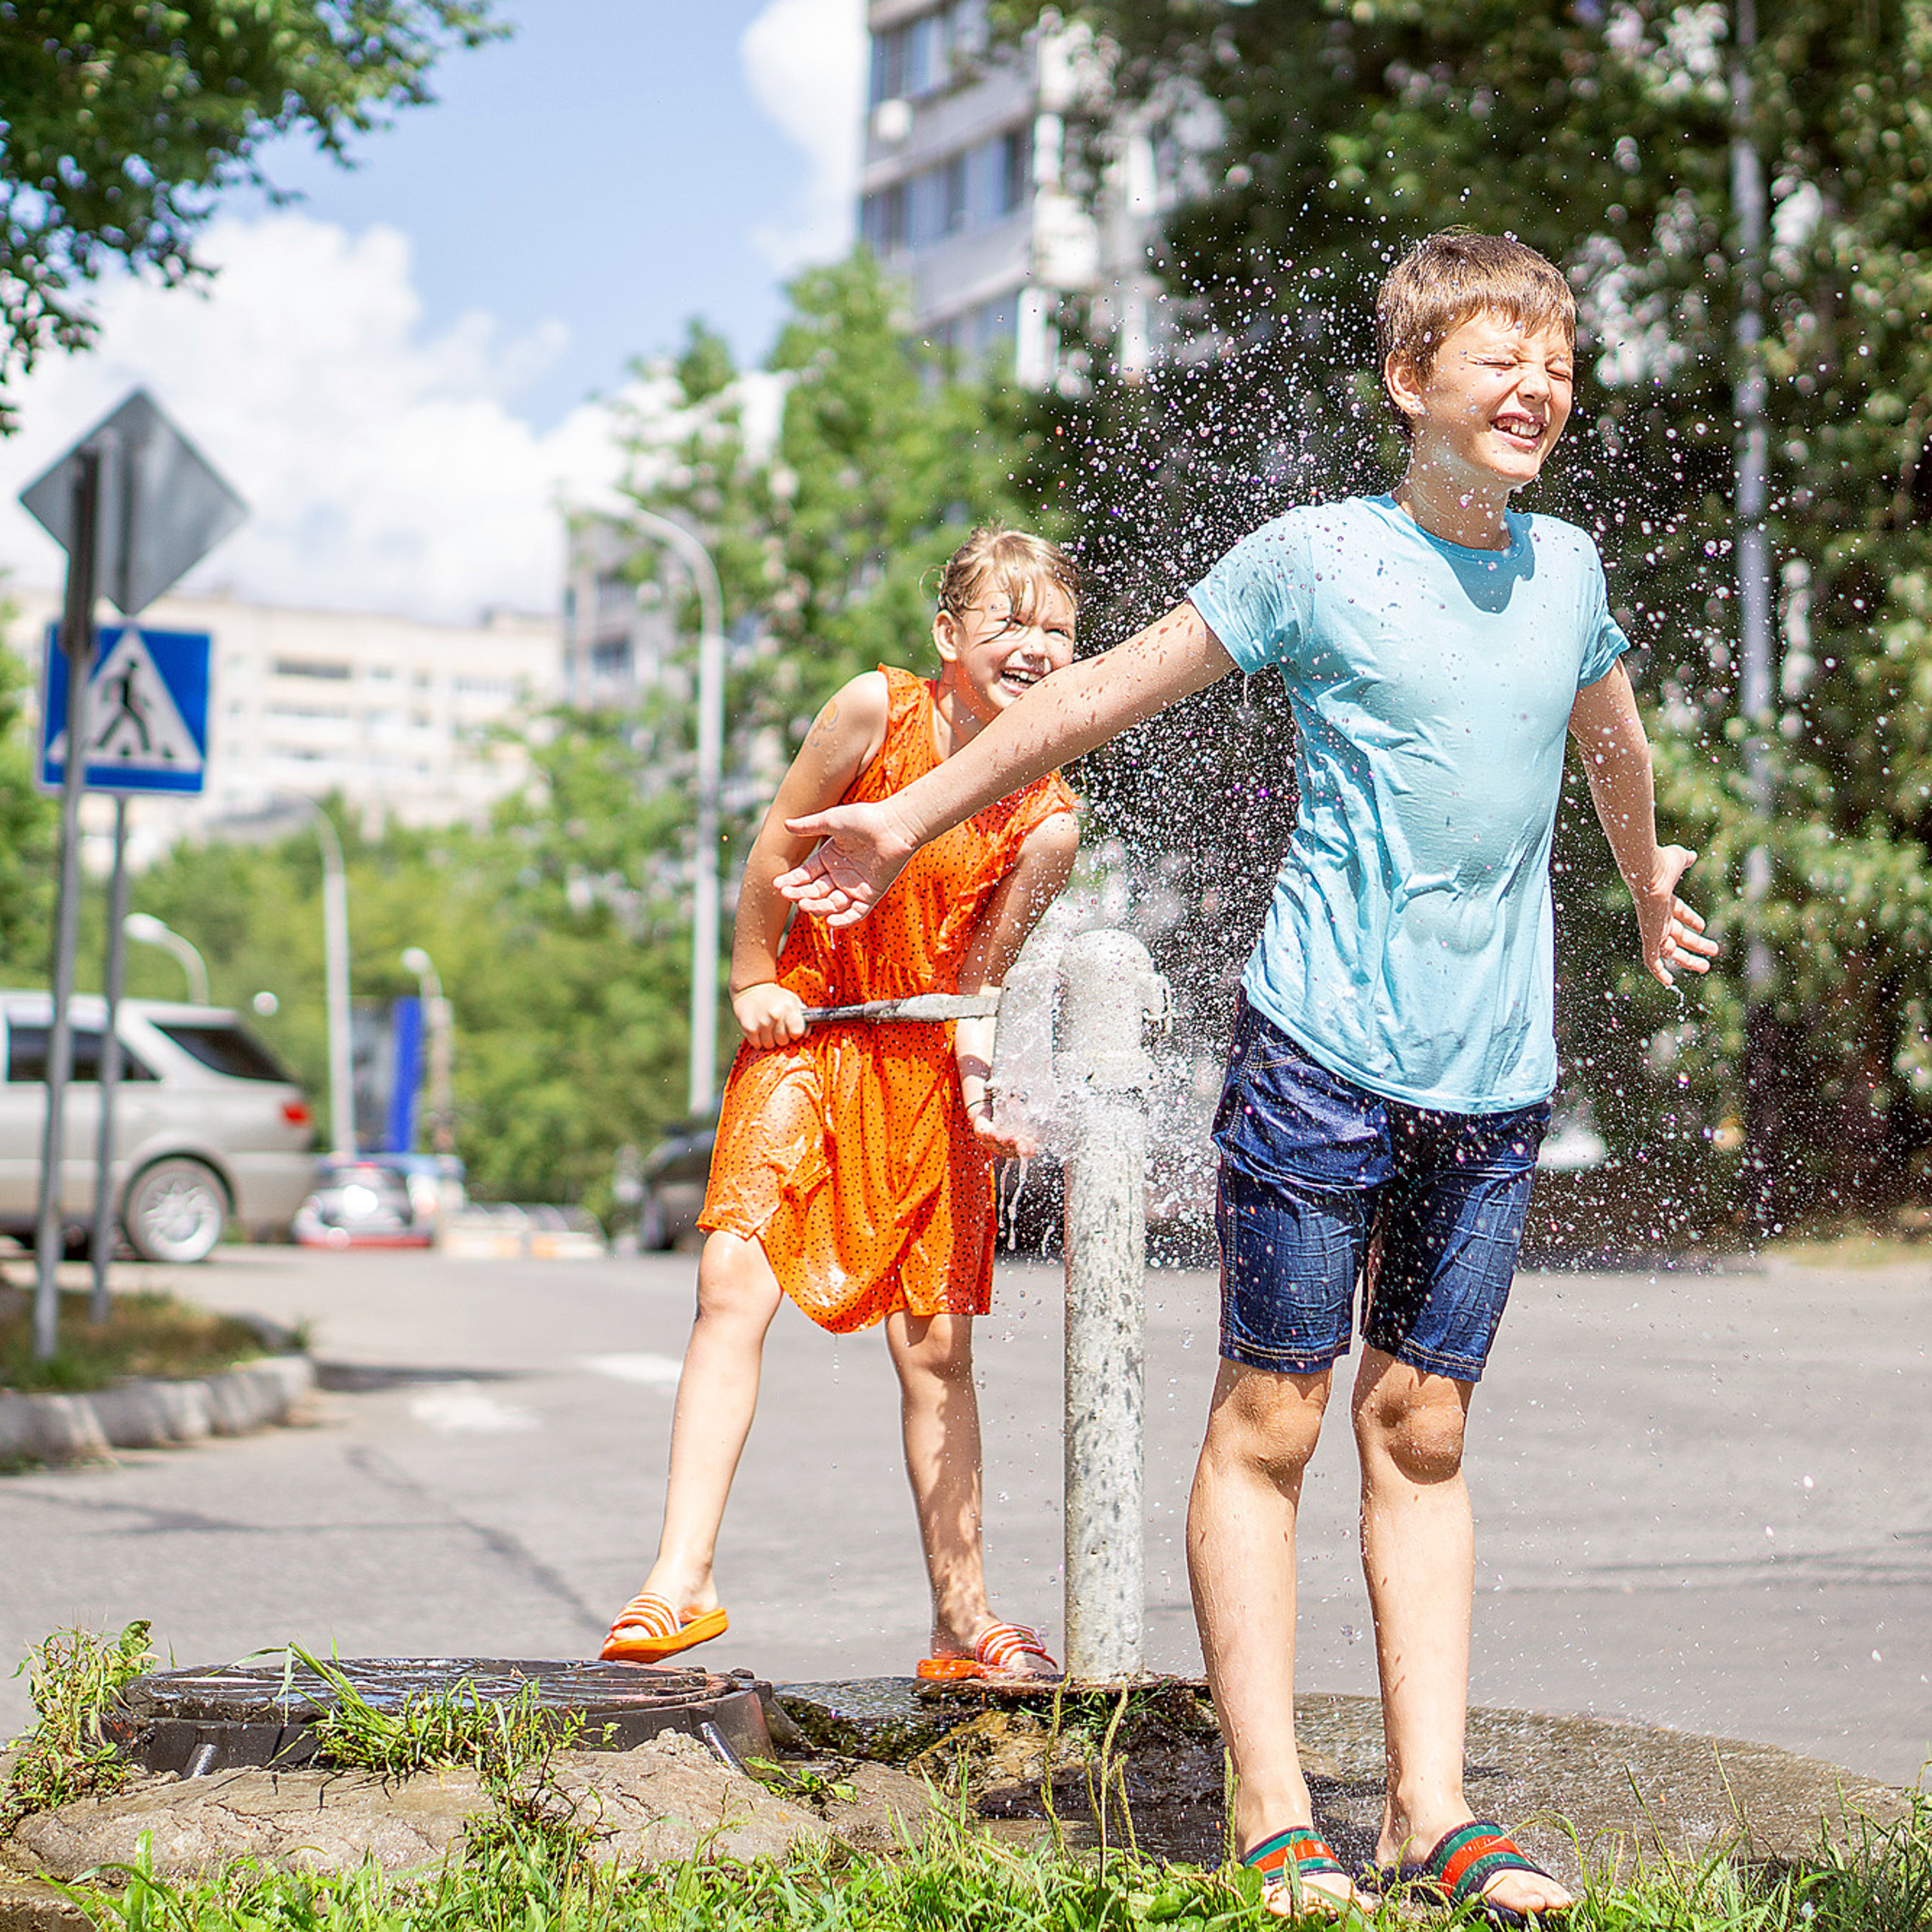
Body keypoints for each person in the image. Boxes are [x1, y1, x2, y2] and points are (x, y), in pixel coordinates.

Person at [775, 231, 1719, 1923]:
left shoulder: (1565, 569)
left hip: (1490, 1069)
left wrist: (1643, 878)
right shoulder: (1309, 557)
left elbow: (1611, 740)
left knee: (1420, 1422)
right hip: (1317, 1050)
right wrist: (903, 815)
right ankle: (1275, 1808)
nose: (1536, 387)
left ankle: (1430, 1811)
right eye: (1496, 356)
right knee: (1274, 1415)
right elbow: (1086, 703)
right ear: (1407, 383)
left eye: (1557, 362)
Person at [600, 526, 1082, 1685]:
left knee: (937, 1353)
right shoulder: (874, 708)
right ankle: (681, 1579)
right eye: (1008, 621)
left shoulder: (1046, 811)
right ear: (947, 635)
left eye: (1059, 630)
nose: (1035, 646)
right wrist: (752, 975)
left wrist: (980, 1071)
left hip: (914, 1063)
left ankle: (962, 1622)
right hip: (810, 1027)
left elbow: (979, 982)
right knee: (730, 1285)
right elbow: (777, 837)